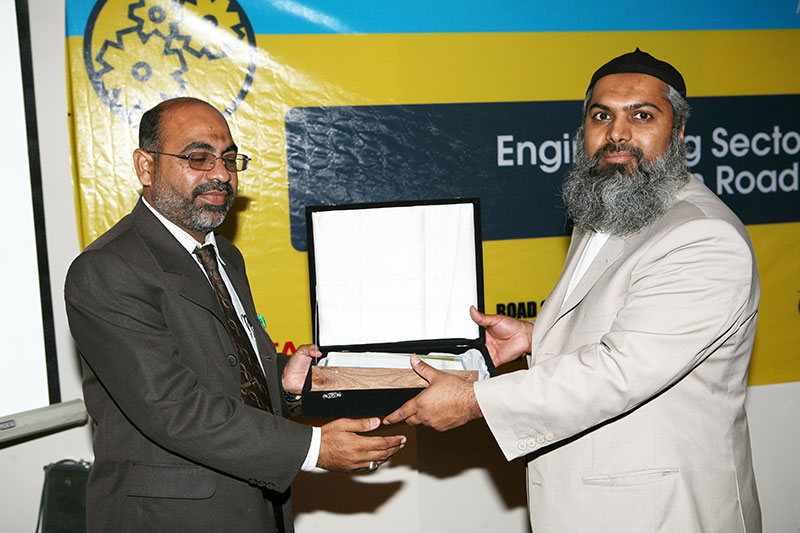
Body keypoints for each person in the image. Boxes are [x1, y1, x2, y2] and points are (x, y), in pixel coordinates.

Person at [385, 49, 761, 532]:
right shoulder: (609, 202)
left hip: (662, 511)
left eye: (642, 116)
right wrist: (535, 336)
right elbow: (630, 327)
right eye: (601, 116)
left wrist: (476, 400)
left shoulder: (702, 236)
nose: (617, 134)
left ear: (679, 133)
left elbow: (619, 371)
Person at [65, 97, 406, 532]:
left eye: (229, 159)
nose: (222, 174)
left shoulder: (223, 254)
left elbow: (226, 370)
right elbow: (172, 407)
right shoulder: (106, 269)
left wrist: (282, 381)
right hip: (169, 520)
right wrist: (313, 448)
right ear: (146, 167)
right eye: (198, 158)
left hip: (256, 505)